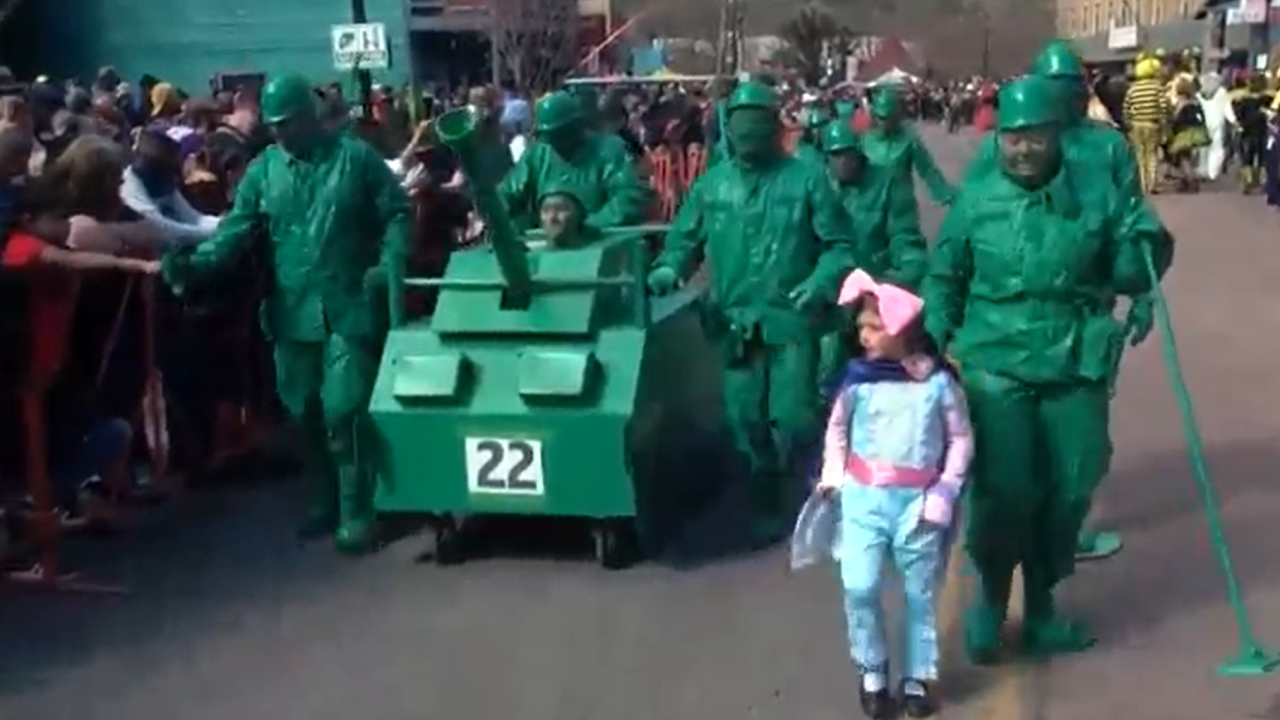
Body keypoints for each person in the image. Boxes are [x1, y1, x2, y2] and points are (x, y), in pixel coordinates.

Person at [923, 76, 1173, 662]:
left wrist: (1147, 245)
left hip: (1074, 357)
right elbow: (944, 279)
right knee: (1005, 491)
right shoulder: (976, 201)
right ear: (1000, 138)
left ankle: (1041, 608)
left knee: (1071, 486)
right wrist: (930, 342)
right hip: (995, 362)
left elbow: (1132, 273)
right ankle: (988, 600)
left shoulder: (1098, 197)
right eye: (1013, 137)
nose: (1023, 149)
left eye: (1035, 136)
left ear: (1057, 134)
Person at [159, 73, 411, 554]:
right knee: (305, 411)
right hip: (292, 311)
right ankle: (326, 498)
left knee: (344, 409)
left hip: (347, 303)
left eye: (290, 122)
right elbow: (234, 232)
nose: (281, 132)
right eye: (274, 125)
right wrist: (195, 267)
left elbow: (397, 210)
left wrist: (390, 259)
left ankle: (360, 508)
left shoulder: (355, 158)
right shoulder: (263, 172)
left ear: (310, 115)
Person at [647, 81, 858, 543]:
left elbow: (840, 246)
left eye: (755, 123)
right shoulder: (712, 186)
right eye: (738, 123)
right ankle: (765, 483)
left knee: (794, 416)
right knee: (743, 417)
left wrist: (819, 282)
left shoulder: (806, 178)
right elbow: (684, 242)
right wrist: (668, 269)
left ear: (771, 125)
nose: (746, 132)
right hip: (735, 321)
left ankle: (798, 482)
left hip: (791, 320)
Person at [815, 269, 972, 720]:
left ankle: (917, 677)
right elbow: (838, 430)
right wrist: (834, 475)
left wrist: (944, 490)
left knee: (920, 594)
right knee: (859, 586)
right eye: (861, 327)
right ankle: (872, 671)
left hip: (917, 503)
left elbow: (961, 438)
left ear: (902, 329)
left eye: (873, 326)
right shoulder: (857, 380)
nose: (863, 336)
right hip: (864, 498)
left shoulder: (937, 383)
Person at [818, 123, 926, 386]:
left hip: (876, 285)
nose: (842, 162)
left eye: (848, 154)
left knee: (886, 354)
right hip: (830, 290)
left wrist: (905, 268)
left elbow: (905, 235)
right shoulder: (817, 184)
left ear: (860, 153)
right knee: (828, 353)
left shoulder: (888, 182)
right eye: (835, 155)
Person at [498, 91, 648, 233]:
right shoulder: (538, 154)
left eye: (560, 133)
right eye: (548, 136)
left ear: (578, 125)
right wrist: (506, 220)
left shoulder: (608, 150)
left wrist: (587, 227)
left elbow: (628, 197)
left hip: (598, 242)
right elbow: (507, 192)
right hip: (546, 243)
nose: (554, 141)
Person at [119, 130, 221, 247]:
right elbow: (163, 231)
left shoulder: (163, 181)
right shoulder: (128, 187)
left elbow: (194, 218)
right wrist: (217, 232)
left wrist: (225, 223)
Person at [860, 86, 954, 207]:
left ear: (897, 115)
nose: (884, 123)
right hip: (871, 207)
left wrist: (944, 193)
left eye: (889, 117)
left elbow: (927, 170)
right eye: (880, 117)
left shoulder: (909, 140)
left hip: (902, 209)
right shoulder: (863, 140)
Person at [1124, 53, 1170, 195]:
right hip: (1152, 124)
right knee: (1152, 155)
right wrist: (1164, 122)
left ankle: (1142, 185)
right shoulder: (1157, 88)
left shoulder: (1133, 88)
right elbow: (1163, 106)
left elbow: (1126, 107)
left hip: (1136, 124)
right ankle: (1152, 184)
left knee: (1139, 155)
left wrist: (1129, 121)